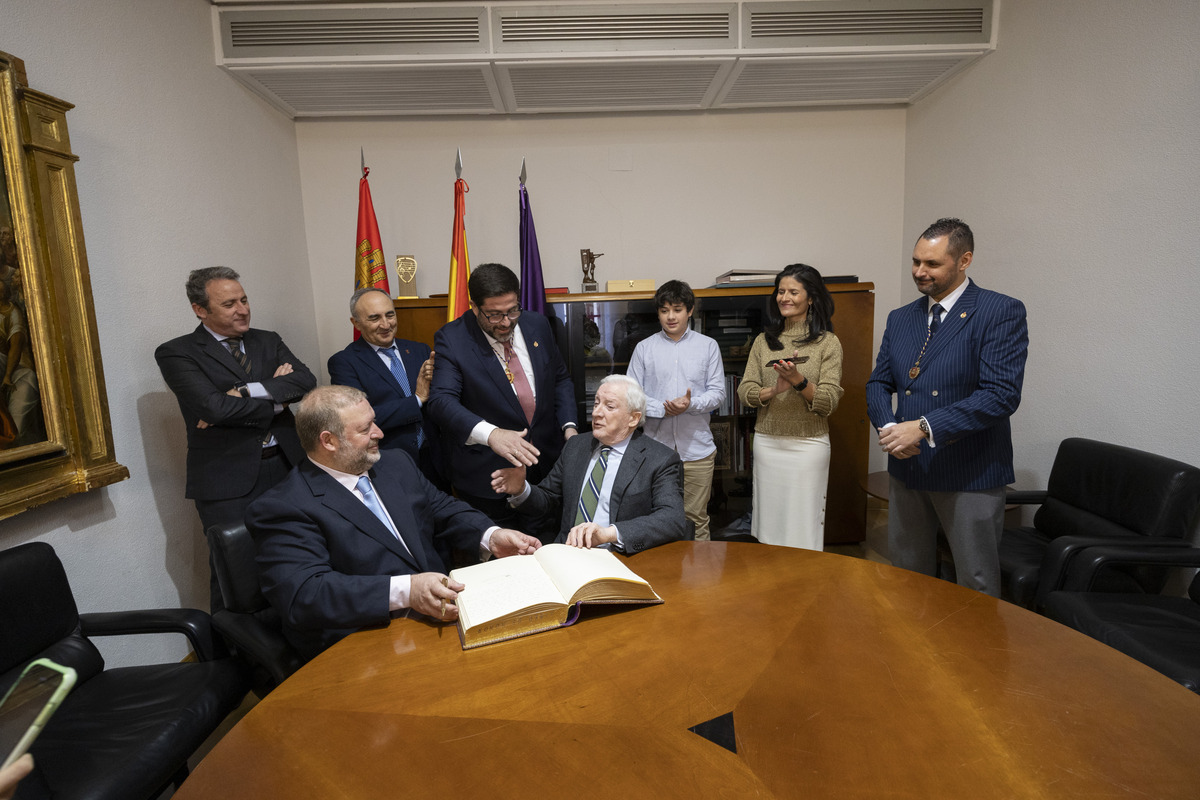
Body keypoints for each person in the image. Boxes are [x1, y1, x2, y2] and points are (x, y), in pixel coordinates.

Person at [246, 385, 541, 660]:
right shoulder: (283, 506)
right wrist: (405, 591)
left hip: (440, 619)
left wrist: (491, 536)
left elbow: (443, 509)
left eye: (374, 421)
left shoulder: (394, 464)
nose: (380, 433)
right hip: (363, 643)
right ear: (329, 441)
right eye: (365, 429)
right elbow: (306, 595)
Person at [866, 218, 1028, 597]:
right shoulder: (901, 317)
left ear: (964, 260)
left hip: (969, 473)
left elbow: (1001, 394)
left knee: (974, 583)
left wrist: (921, 426)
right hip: (908, 465)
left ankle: (975, 657)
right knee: (908, 576)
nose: (920, 272)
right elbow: (878, 383)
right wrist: (890, 430)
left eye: (932, 264)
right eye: (916, 261)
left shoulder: (998, 311)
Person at [155, 266, 316, 612]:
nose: (242, 309)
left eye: (244, 300)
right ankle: (233, 656)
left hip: (289, 466)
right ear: (200, 310)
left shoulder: (267, 339)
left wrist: (243, 391)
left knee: (301, 552)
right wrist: (276, 397)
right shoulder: (177, 352)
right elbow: (213, 408)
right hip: (226, 479)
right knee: (236, 571)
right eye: (229, 304)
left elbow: (305, 382)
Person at [427, 262, 577, 536]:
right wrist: (492, 434)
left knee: (550, 550)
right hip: (490, 479)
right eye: (495, 315)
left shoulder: (537, 324)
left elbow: (560, 379)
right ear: (474, 306)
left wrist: (569, 427)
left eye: (512, 311)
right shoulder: (453, 339)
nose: (507, 322)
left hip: (547, 471)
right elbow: (441, 401)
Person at [490, 374, 688, 553]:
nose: (597, 413)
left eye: (609, 406)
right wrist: (521, 490)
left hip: (620, 556)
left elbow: (672, 519)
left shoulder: (660, 459)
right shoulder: (576, 446)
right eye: (596, 404)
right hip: (569, 553)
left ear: (633, 418)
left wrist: (609, 534)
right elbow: (548, 499)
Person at [737, 264, 843, 550]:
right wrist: (774, 389)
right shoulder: (763, 341)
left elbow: (829, 401)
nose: (785, 297)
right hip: (768, 444)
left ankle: (804, 588)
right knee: (769, 525)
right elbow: (745, 391)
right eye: (781, 291)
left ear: (811, 298)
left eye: (793, 292)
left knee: (803, 525)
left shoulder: (827, 343)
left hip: (808, 447)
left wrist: (798, 380)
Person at [626, 280, 725, 540]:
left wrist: (689, 405)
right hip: (653, 450)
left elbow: (718, 394)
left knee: (696, 519)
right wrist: (663, 409)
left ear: (690, 310)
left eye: (677, 309)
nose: (670, 316)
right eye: (664, 310)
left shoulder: (708, 346)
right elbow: (630, 396)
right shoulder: (644, 349)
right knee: (654, 520)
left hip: (697, 450)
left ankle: (700, 579)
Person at [327, 287, 442, 485]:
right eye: (374, 318)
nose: (386, 324)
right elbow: (358, 420)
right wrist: (417, 399)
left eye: (390, 315)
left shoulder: (419, 350)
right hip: (387, 465)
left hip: (435, 461)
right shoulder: (344, 362)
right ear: (356, 323)